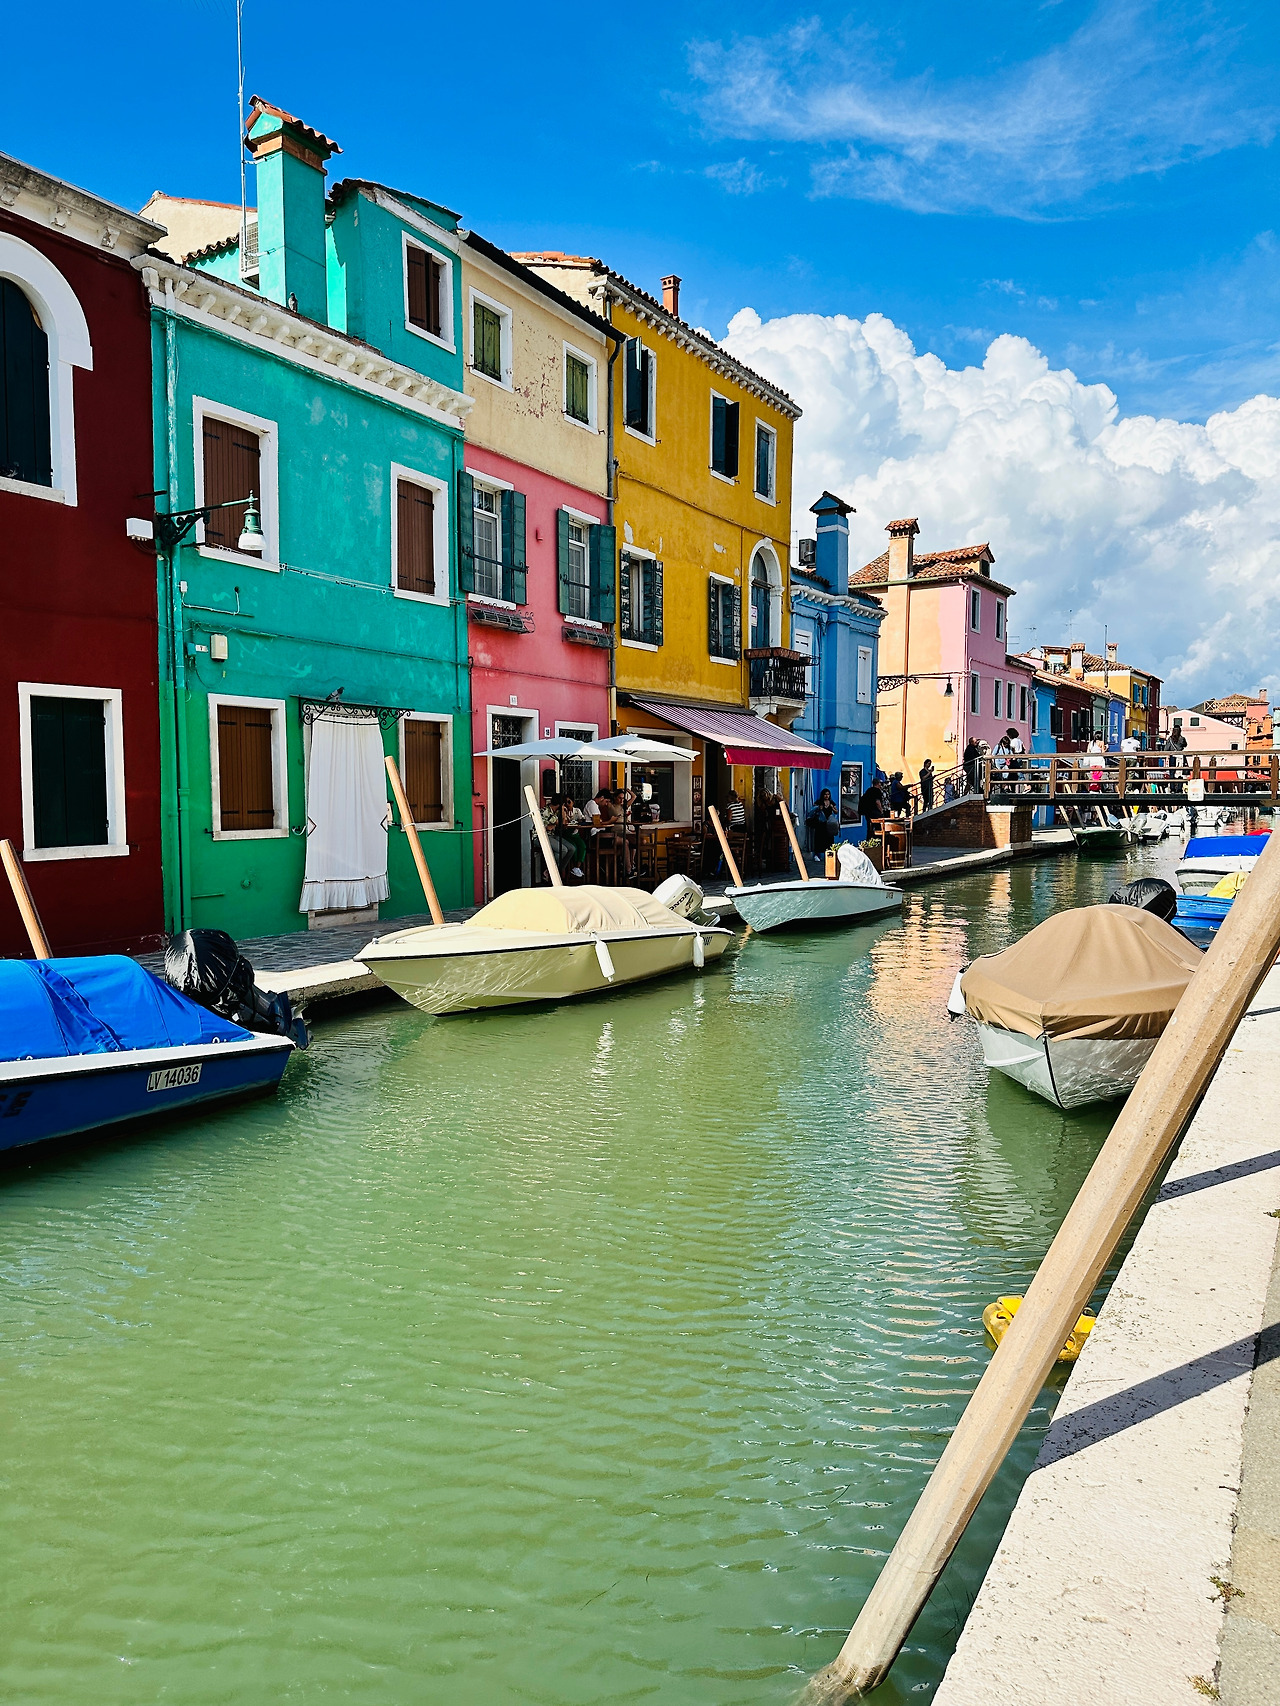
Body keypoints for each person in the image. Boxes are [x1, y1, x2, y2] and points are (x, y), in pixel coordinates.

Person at [808, 788, 839, 858]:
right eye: (825, 794)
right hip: (820, 823)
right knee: (819, 839)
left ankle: (829, 854)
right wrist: (819, 808)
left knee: (829, 839)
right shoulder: (818, 802)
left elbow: (836, 812)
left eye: (828, 794)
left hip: (829, 824)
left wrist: (832, 808)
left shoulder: (831, 802)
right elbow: (813, 811)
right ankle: (817, 855)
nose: (827, 796)